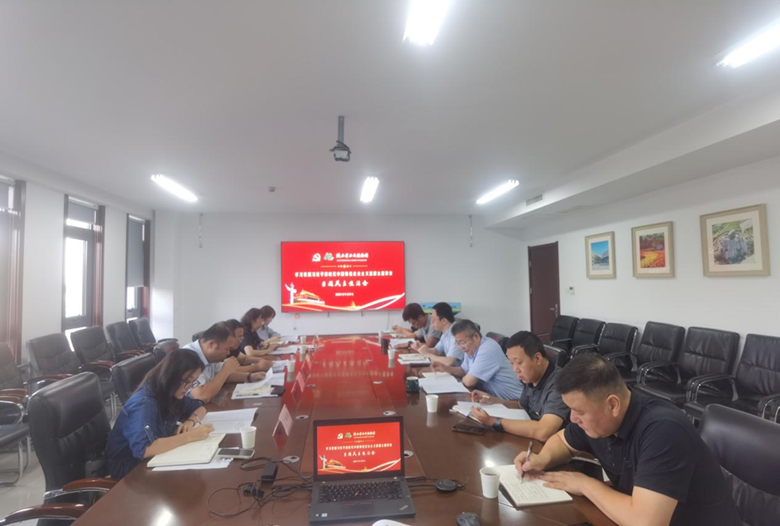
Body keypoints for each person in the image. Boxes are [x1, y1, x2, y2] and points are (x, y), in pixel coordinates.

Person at [516, 354, 741, 526]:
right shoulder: (598, 421)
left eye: (579, 411)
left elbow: (646, 522)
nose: (573, 419)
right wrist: (542, 459)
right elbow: (563, 441)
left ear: (612, 405)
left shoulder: (663, 430)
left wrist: (585, 484)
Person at [105, 349, 214, 479]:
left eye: (193, 382)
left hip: (156, 456)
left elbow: (200, 408)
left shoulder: (170, 391)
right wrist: (190, 436)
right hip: (130, 468)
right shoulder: (144, 403)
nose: (189, 387)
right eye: (188, 381)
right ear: (172, 376)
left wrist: (190, 421)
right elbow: (144, 449)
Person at [470, 331, 568, 441]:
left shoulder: (560, 383)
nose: (515, 370)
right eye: (512, 363)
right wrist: (494, 401)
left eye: (519, 362)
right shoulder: (531, 376)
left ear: (537, 358)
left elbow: (544, 431)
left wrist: (493, 421)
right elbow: (521, 406)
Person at [431, 319, 523, 400]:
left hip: (513, 402)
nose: (461, 347)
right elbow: (463, 370)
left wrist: (465, 377)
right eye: (458, 343)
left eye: (462, 342)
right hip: (492, 399)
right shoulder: (471, 348)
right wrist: (445, 368)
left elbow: (469, 382)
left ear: (476, 337)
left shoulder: (488, 348)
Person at [185, 322, 267, 402]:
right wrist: (226, 369)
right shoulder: (189, 358)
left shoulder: (210, 356)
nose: (228, 353)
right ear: (211, 344)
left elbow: (222, 375)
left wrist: (250, 377)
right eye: (227, 349)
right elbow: (202, 396)